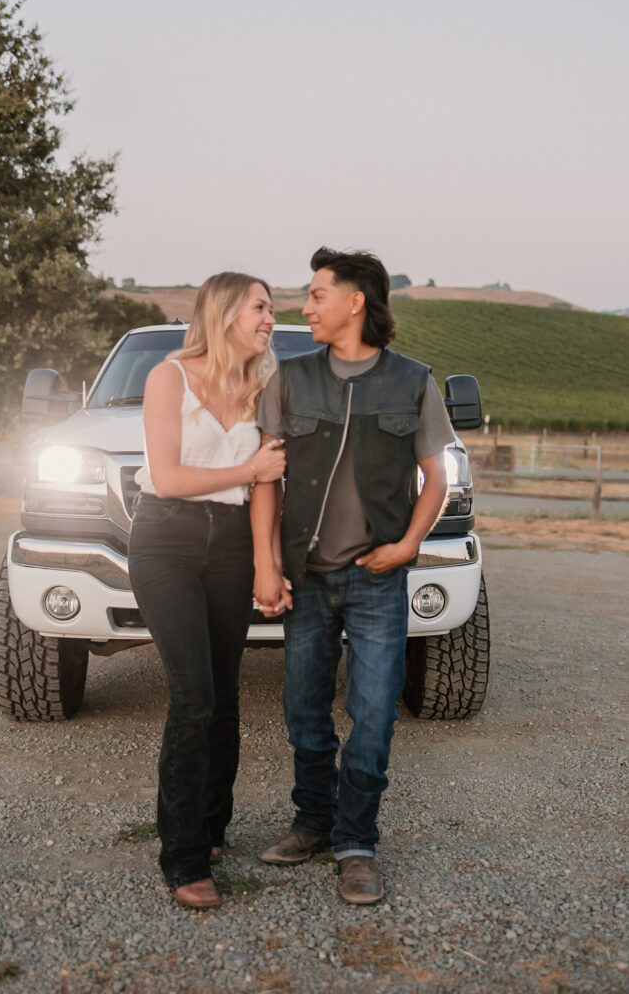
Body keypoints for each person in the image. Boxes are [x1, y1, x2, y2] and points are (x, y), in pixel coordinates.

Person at [251, 247, 455, 904]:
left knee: (372, 715)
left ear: (355, 301)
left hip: (376, 579)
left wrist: (405, 547)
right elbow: (264, 479)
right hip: (308, 576)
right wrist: (267, 563)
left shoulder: (413, 380)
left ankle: (355, 843)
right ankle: (311, 822)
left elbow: (437, 479)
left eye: (315, 294)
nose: (303, 307)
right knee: (303, 710)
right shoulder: (290, 378)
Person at [128, 272, 286, 910]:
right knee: (192, 695)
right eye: (261, 307)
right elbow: (166, 478)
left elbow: (267, 489)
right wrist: (249, 468)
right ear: (225, 312)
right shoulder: (169, 377)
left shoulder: (264, 390)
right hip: (166, 540)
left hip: (234, 545)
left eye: (272, 309)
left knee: (223, 696)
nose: (271, 318)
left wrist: (266, 564)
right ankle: (183, 857)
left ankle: (212, 828)